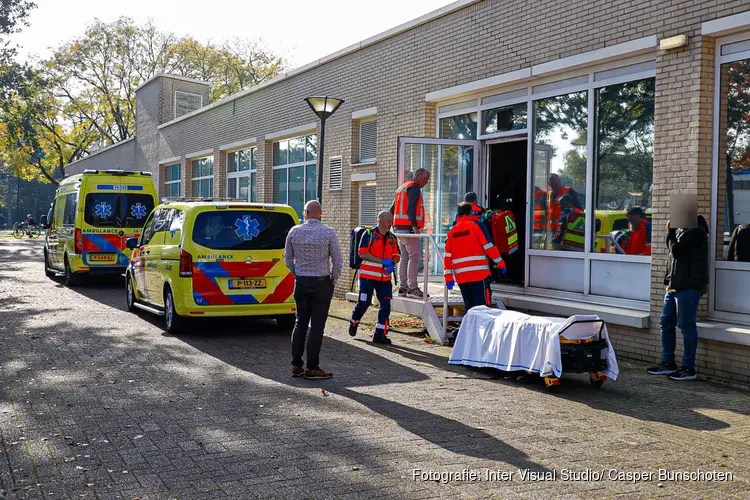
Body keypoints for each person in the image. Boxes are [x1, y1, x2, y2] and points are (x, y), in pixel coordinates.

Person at [284, 200, 343, 380]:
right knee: (317, 326)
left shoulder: (294, 232)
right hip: (321, 283)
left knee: (300, 322)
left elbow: (287, 259)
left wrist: (298, 273)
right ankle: (312, 366)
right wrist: (332, 279)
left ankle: (296, 365)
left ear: (306, 213)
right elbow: (338, 261)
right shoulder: (329, 233)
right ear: (321, 213)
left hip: (302, 282)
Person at [648, 215, 709, 381]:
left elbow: (677, 252)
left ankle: (688, 368)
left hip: (689, 287)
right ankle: (668, 363)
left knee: (686, 326)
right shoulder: (681, 231)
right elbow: (673, 260)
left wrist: (670, 232)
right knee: (666, 322)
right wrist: (668, 281)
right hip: (674, 286)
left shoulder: (696, 231)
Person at [349, 211, 401, 345]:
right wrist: (382, 261)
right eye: (388, 221)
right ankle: (354, 320)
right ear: (380, 221)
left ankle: (379, 334)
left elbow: (397, 255)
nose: (391, 224)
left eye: (391, 221)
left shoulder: (392, 238)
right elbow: (363, 254)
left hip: (384, 279)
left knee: (385, 305)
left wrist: (393, 262)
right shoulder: (368, 235)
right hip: (367, 277)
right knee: (364, 303)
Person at [444, 202, 506, 312]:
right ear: (470, 212)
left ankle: (469, 328)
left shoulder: (451, 232)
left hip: (462, 277)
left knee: (469, 307)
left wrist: (448, 278)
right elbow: (489, 247)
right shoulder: (474, 227)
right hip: (479, 275)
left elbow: (447, 257)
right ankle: (479, 329)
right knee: (481, 309)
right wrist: (501, 264)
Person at [390, 167, 430, 298]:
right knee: (415, 256)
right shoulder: (414, 188)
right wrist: (414, 226)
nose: (426, 182)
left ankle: (403, 288)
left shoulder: (402, 188)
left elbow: (392, 208)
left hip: (398, 229)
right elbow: (411, 207)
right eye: (425, 179)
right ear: (418, 175)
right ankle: (413, 287)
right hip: (408, 228)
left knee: (405, 257)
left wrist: (391, 225)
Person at [546, 173, 582, 242]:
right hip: (553, 231)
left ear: (559, 181)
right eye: (551, 183)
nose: (553, 185)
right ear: (549, 184)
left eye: (555, 182)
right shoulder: (549, 194)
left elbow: (579, 210)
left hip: (566, 230)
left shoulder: (569, 191)